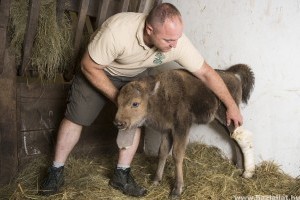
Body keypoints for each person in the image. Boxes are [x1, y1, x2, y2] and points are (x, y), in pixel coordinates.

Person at [39, 2, 243, 197]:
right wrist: (121, 100)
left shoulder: (175, 42)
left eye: (177, 39)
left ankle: (122, 174)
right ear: (149, 30)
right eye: (168, 41)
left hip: (136, 77)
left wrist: (232, 106)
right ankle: (55, 171)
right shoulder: (117, 32)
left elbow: (207, 73)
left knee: (135, 121)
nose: (174, 45)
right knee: (77, 117)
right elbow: (88, 66)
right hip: (100, 70)